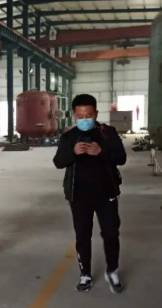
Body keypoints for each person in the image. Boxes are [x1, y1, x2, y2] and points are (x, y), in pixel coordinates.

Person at [52, 94, 127, 294]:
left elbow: (121, 158)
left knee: (111, 234)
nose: (84, 119)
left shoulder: (107, 133)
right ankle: (85, 274)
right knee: (83, 235)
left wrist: (101, 152)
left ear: (96, 114)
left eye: (89, 115)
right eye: (80, 116)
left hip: (106, 194)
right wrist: (73, 152)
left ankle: (112, 271)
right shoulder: (68, 137)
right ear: (74, 115)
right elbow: (58, 162)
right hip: (78, 197)